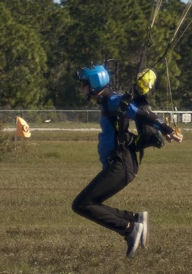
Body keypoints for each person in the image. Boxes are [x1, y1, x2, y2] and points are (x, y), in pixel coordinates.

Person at [71, 64, 183, 258]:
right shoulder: (107, 101)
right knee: (91, 202)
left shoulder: (112, 100)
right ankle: (135, 220)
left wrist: (166, 130)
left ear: (94, 84)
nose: (82, 89)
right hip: (119, 163)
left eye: (84, 85)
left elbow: (141, 114)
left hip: (121, 164)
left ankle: (130, 229)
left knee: (82, 204)